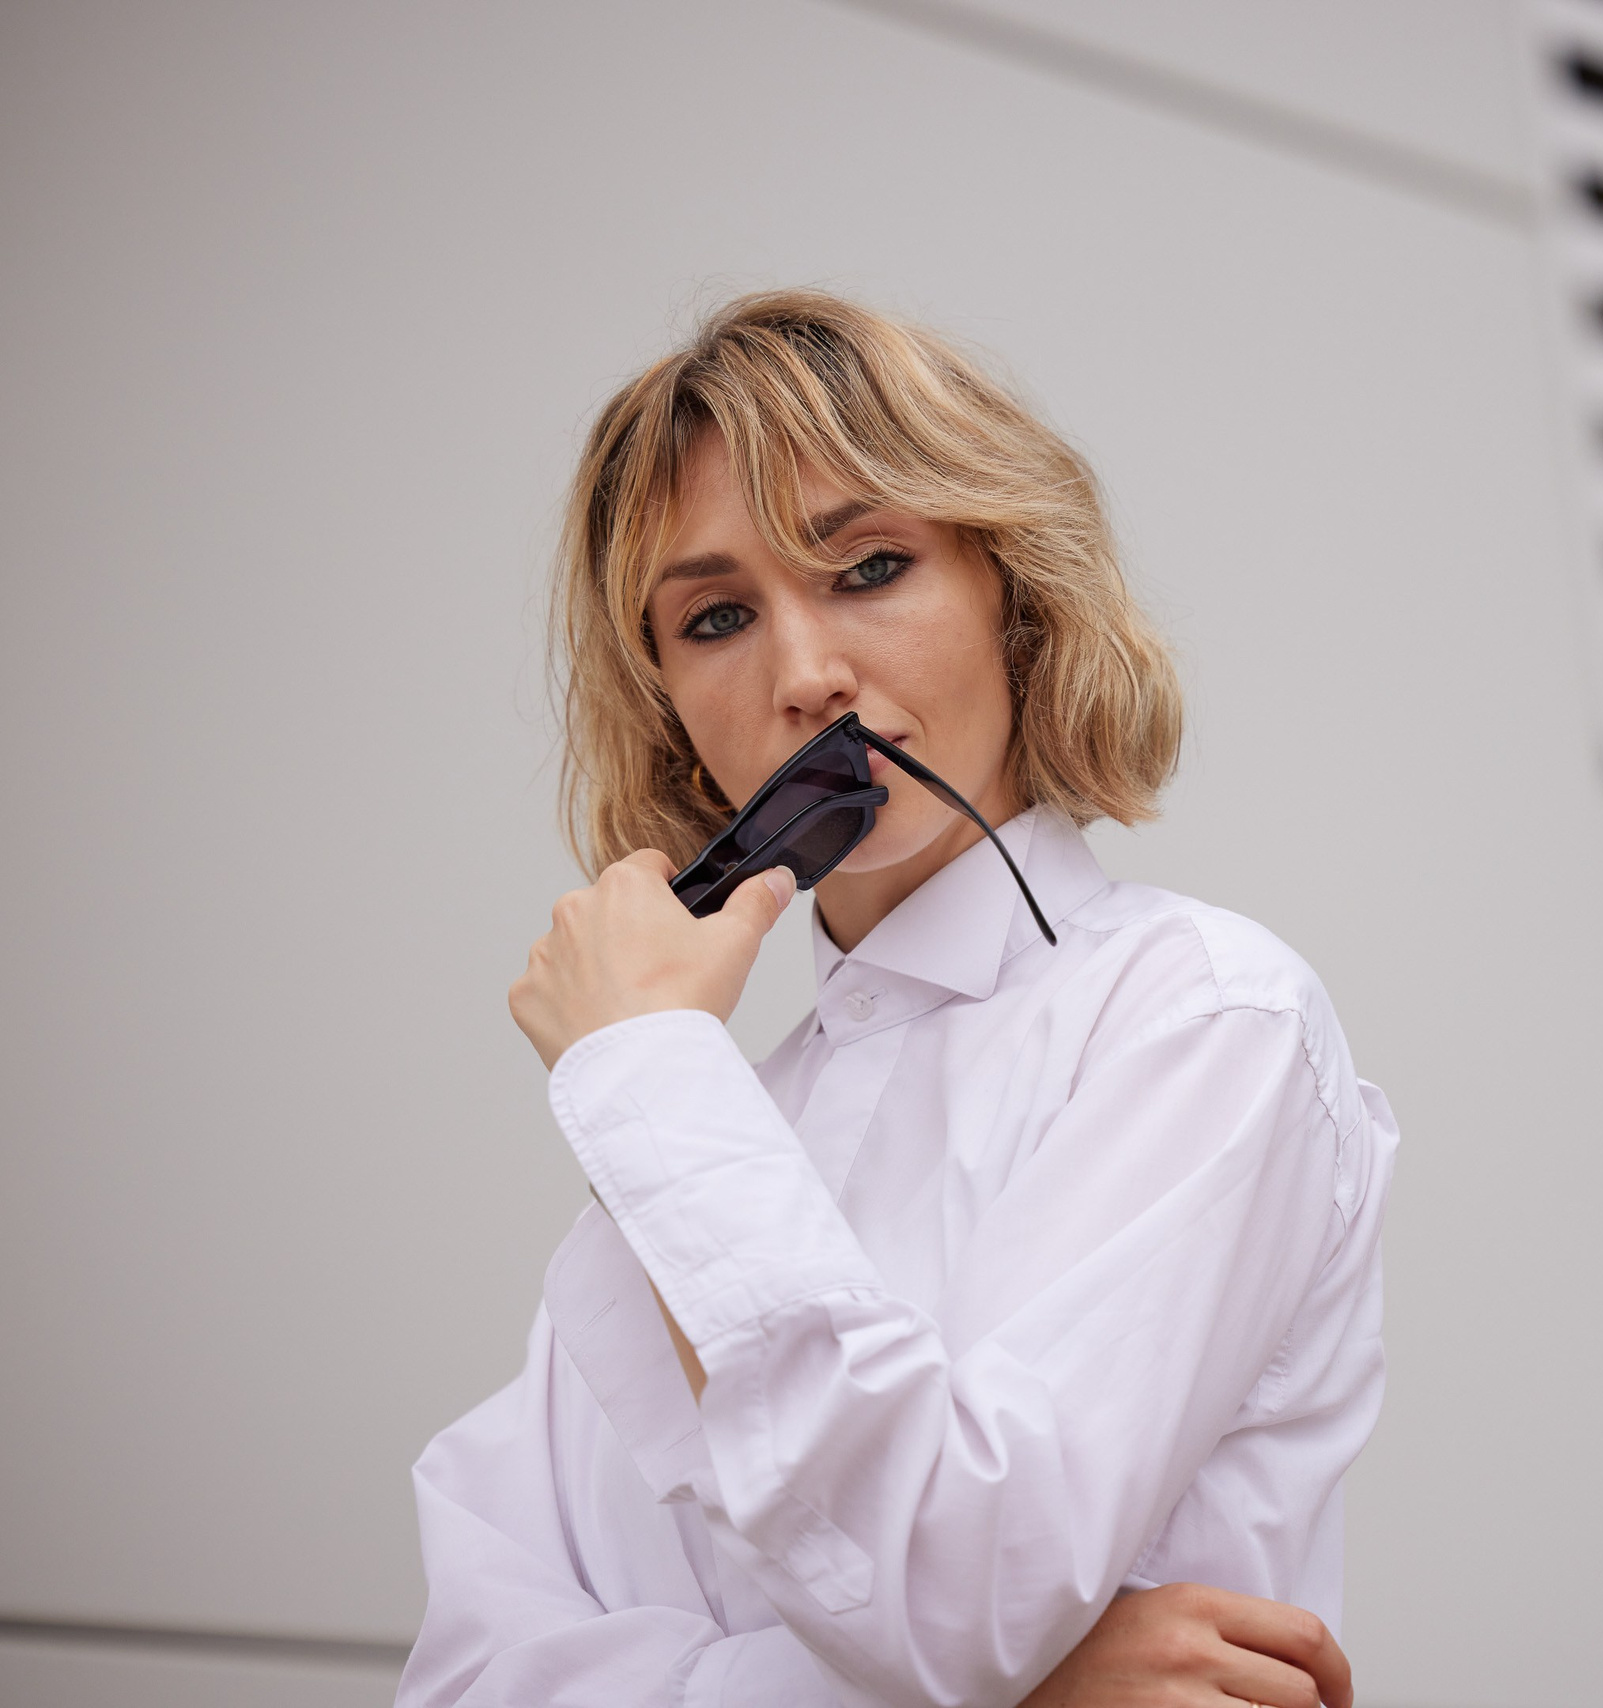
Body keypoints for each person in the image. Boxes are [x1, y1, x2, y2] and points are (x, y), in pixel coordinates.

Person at [396, 290, 1397, 1707]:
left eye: (869, 567)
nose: (807, 675)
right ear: (667, 697)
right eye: (720, 616)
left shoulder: (1204, 1021)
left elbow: (944, 1588)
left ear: (1014, 592)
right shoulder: (677, 1150)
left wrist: (641, 1067)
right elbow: (467, 1686)